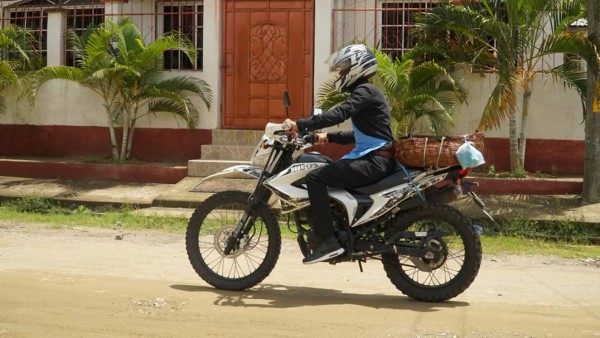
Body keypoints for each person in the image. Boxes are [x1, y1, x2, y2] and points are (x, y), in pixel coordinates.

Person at [284, 44, 396, 264]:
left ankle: (328, 241)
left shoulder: (365, 91)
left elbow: (340, 113)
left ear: (357, 67)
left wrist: (300, 124)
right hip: (376, 157)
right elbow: (362, 134)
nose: (341, 74)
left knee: (316, 177)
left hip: (373, 160)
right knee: (323, 170)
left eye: (344, 69)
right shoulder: (368, 92)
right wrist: (326, 137)